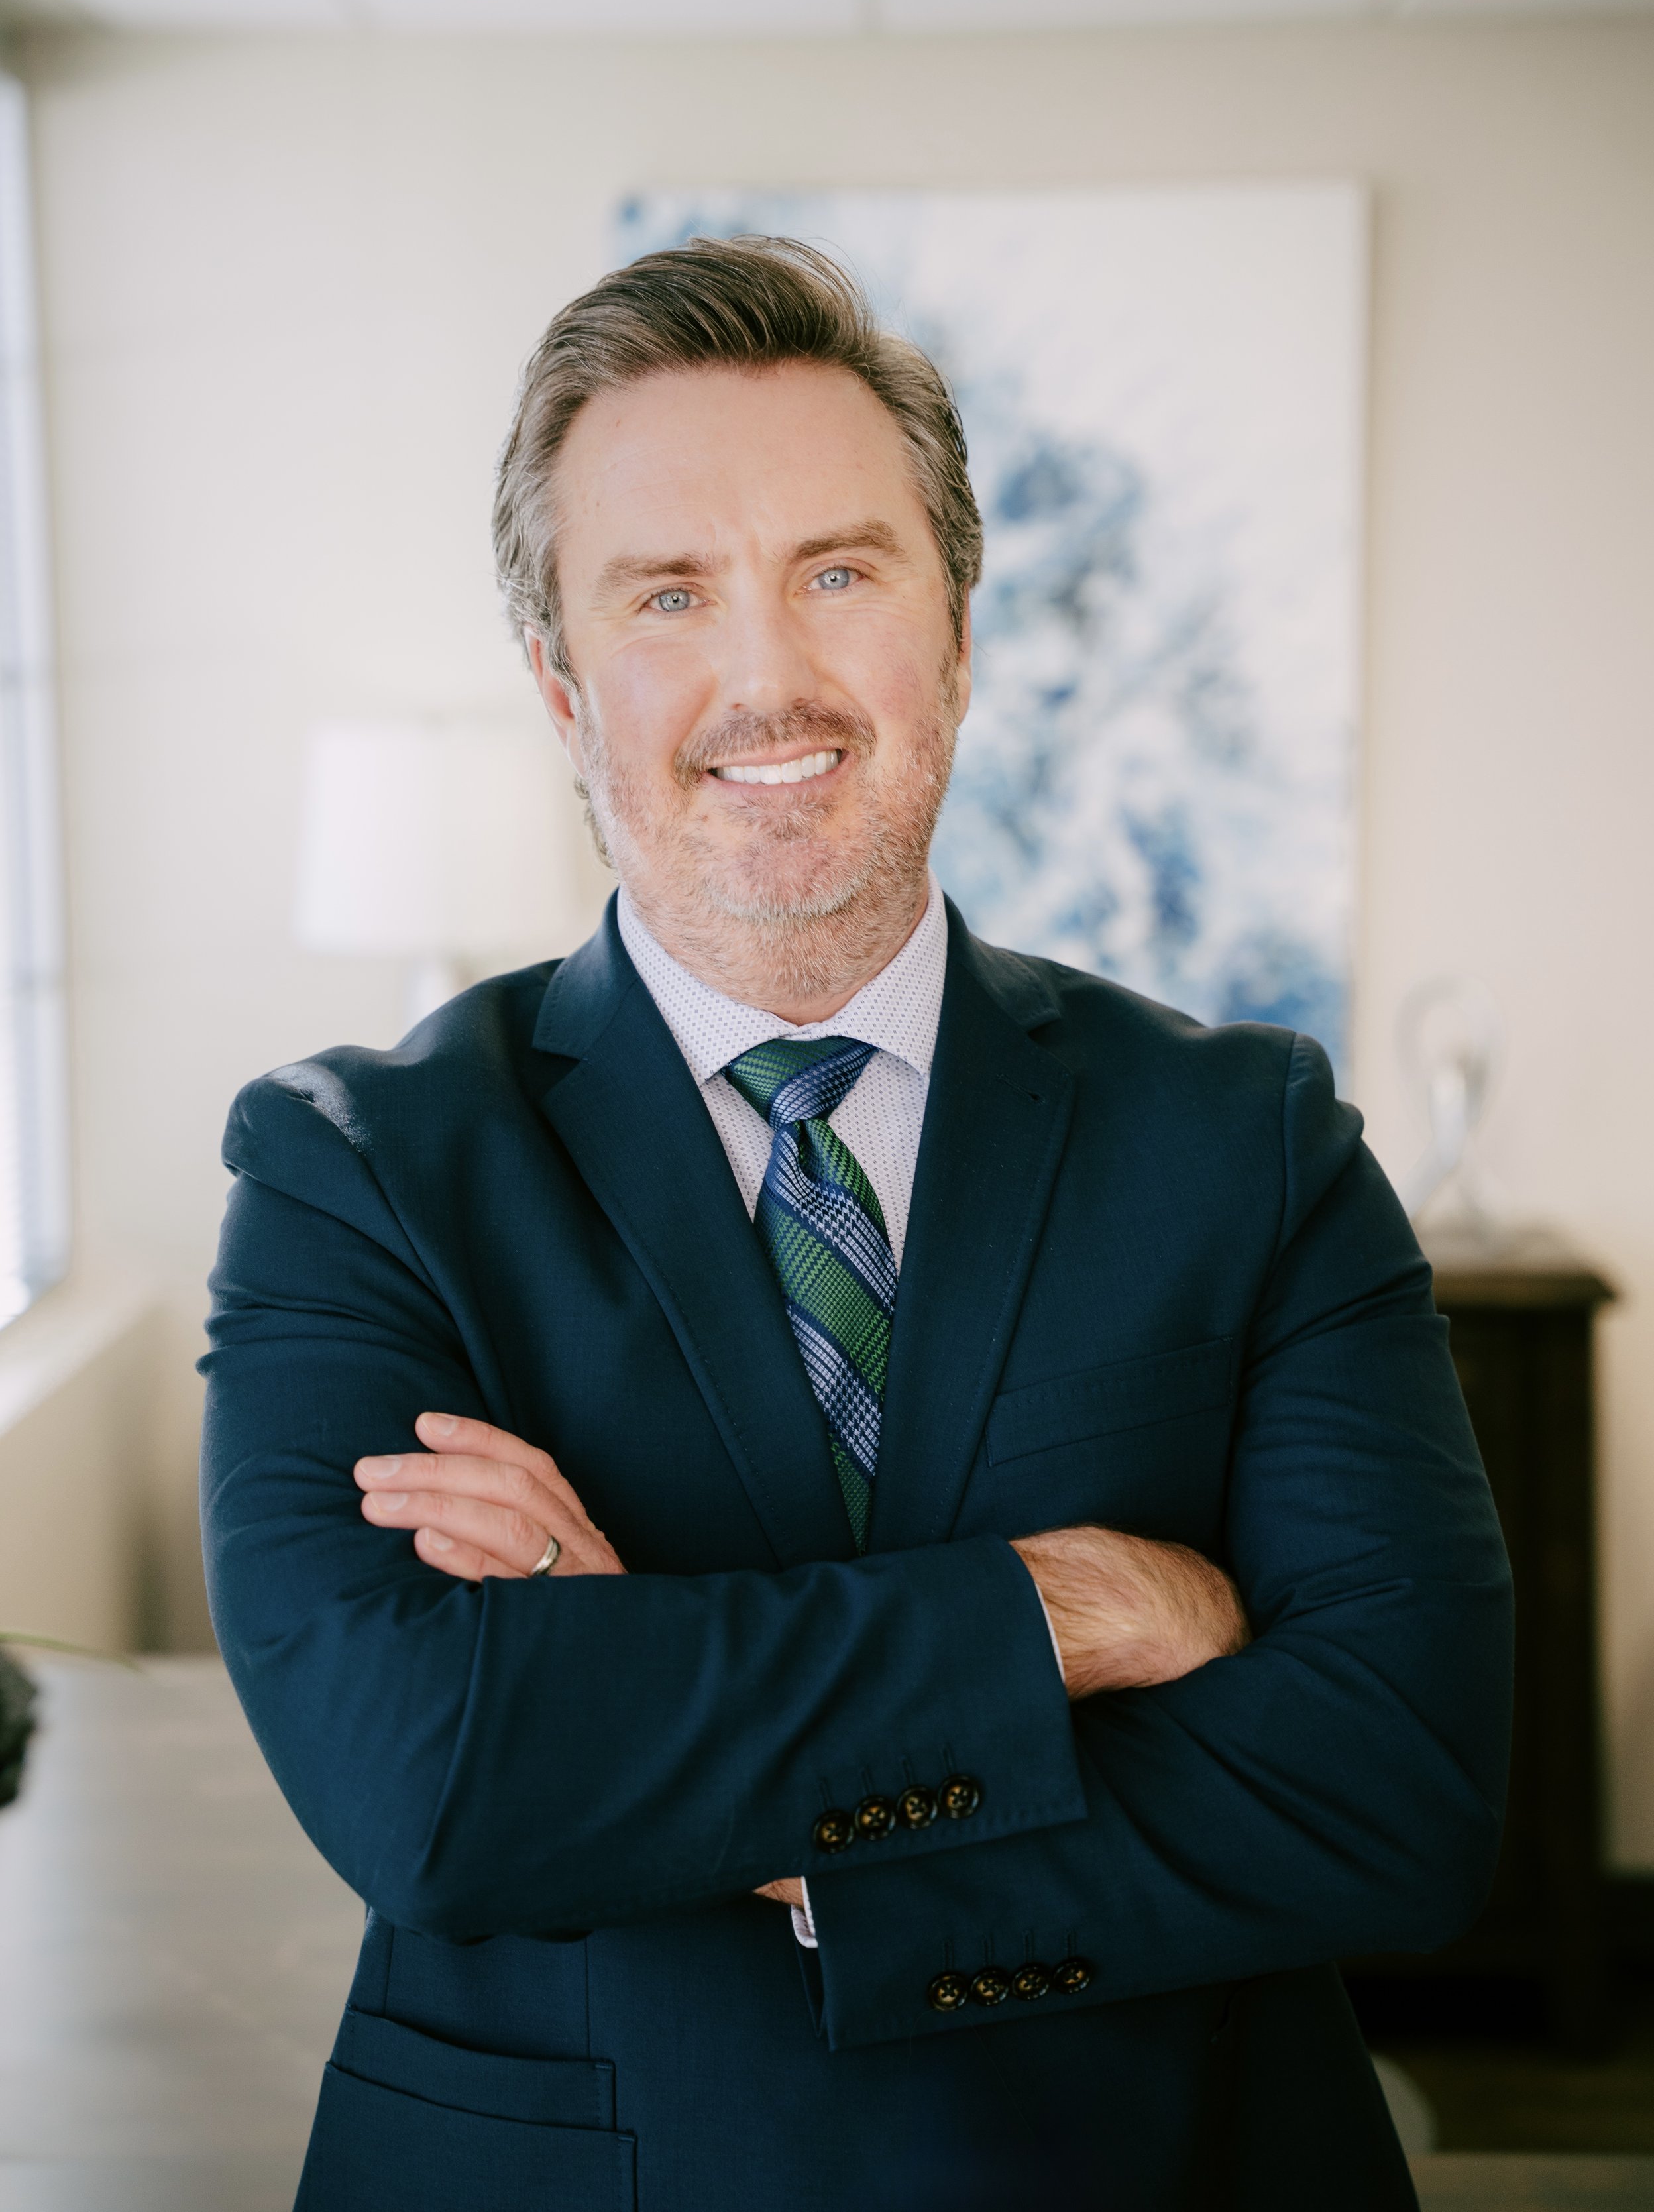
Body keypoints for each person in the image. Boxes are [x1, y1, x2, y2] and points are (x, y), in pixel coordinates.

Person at [201, 237, 1512, 2212]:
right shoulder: (357, 1167)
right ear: (563, 686)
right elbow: (437, 1787)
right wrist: (1081, 1613)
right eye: (668, 595)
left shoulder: (1248, 1140)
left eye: (839, 570)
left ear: (956, 635)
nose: (767, 679)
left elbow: (1392, 1793)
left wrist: (634, 1689)